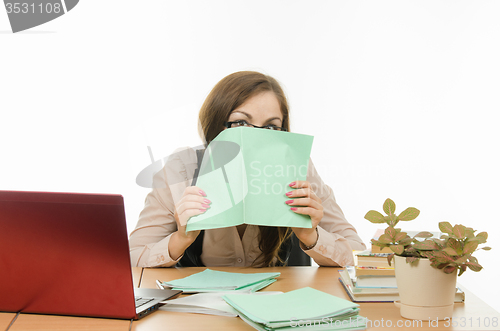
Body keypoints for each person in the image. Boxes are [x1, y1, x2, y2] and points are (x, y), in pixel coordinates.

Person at [129, 71, 366, 268]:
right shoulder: (182, 169)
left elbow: (359, 256)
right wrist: (180, 239)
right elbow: (132, 258)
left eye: (271, 127)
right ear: (214, 127)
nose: (256, 137)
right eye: (241, 123)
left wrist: (311, 236)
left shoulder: (299, 168)